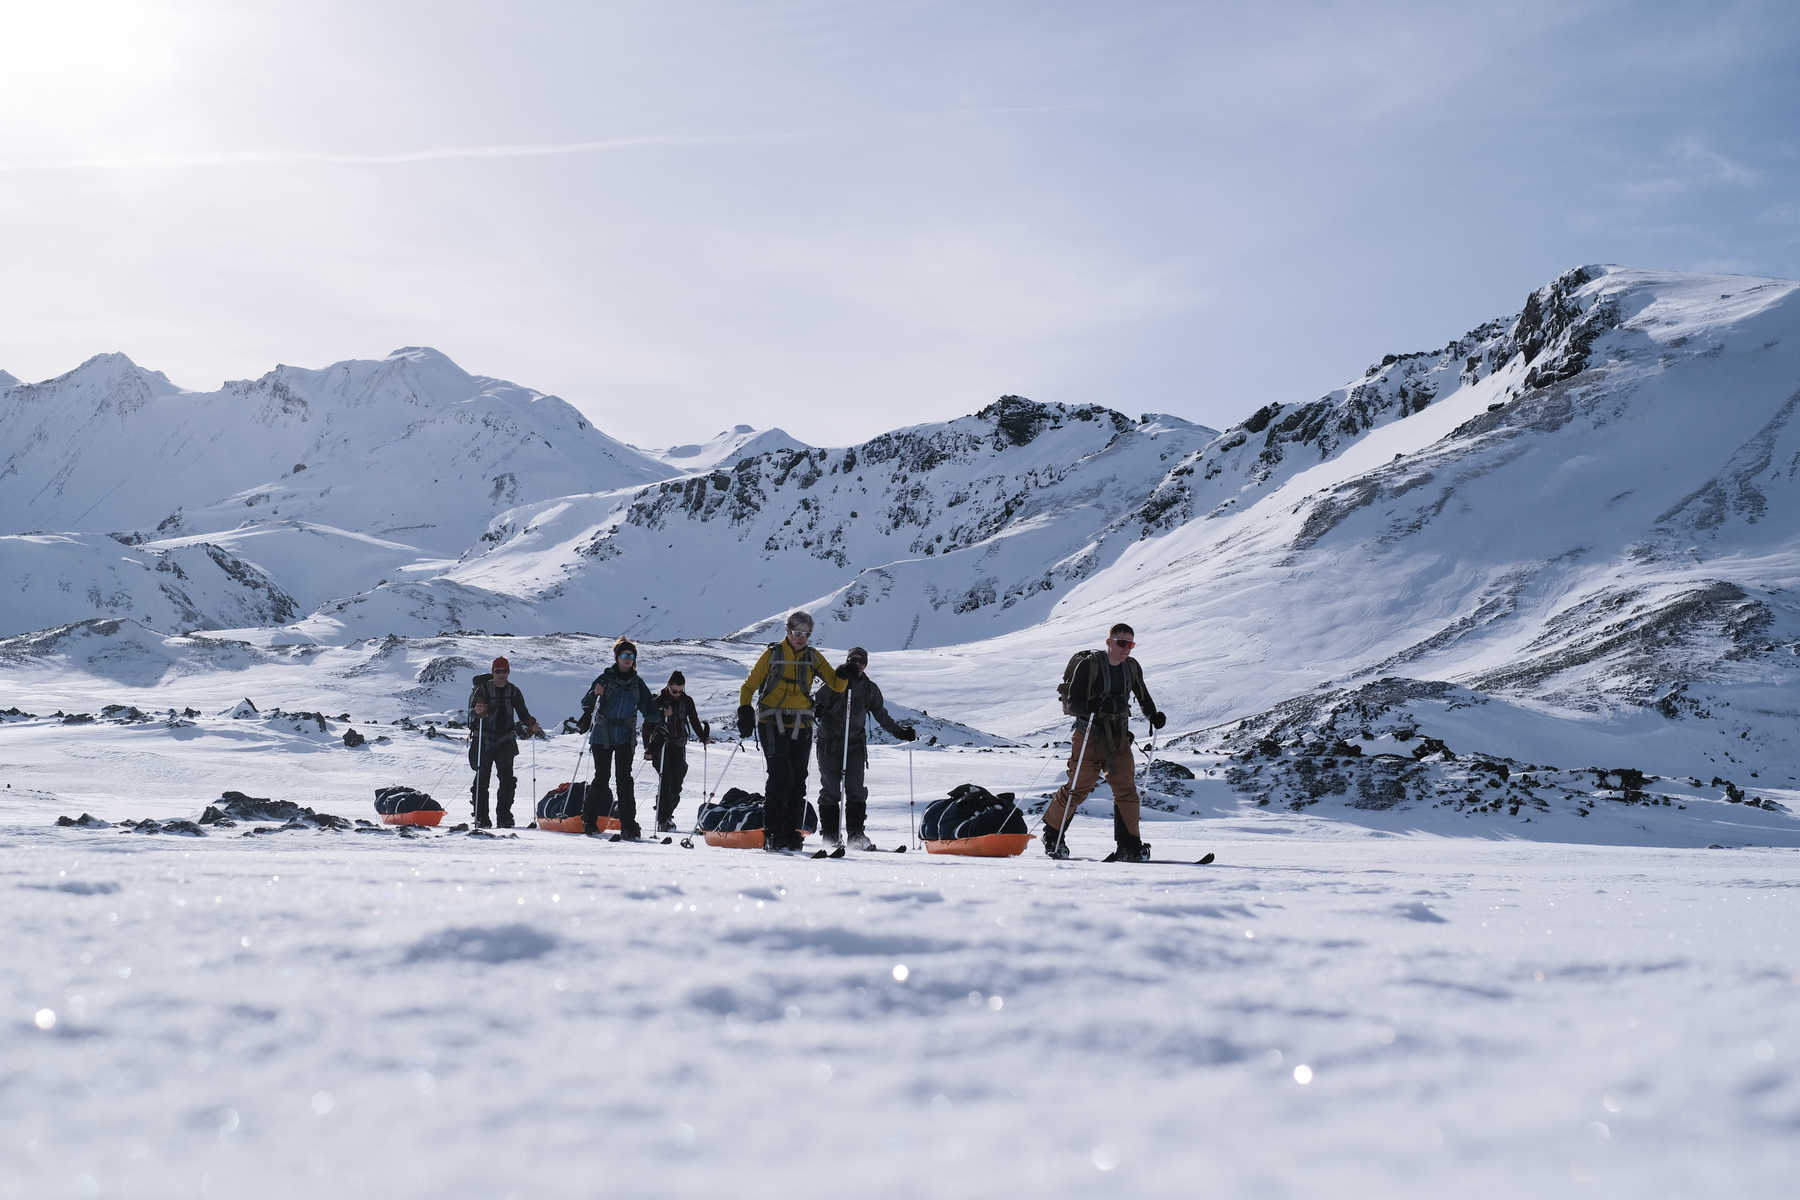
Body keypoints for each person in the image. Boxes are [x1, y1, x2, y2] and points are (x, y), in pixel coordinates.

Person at [1041, 623, 1167, 862]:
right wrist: (1095, 707)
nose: (1126, 649)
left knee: (1126, 790)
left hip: (1118, 736)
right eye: (1121, 643)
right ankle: (1052, 835)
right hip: (1088, 734)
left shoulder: (1131, 667)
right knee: (1078, 788)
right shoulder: (1089, 665)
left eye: (1130, 644)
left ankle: (1129, 845)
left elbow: (1142, 694)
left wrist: (1153, 715)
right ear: (1109, 642)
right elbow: (1073, 703)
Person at [736, 611, 847, 852]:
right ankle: (773, 834)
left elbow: (836, 684)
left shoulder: (813, 657)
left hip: (802, 725)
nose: (801, 638)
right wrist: (744, 711)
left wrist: (844, 673)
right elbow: (749, 686)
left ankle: (793, 834)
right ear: (787, 632)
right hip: (771, 722)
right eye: (797, 633)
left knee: (798, 779)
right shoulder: (773, 655)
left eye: (806, 634)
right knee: (780, 776)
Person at [813, 646, 917, 849]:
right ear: (847, 660)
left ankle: (856, 836)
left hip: (854, 746)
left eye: (861, 660)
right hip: (830, 744)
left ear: (865, 664)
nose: (857, 663)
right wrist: (819, 708)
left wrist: (899, 732)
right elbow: (818, 702)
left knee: (856, 790)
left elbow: (881, 715)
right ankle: (830, 837)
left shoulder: (869, 689)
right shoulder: (835, 682)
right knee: (831, 790)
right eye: (853, 659)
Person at [577, 638, 663, 839]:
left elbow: (648, 709)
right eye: (624, 655)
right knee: (602, 778)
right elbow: (586, 703)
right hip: (602, 735)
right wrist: (595, 694)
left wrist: (660, 714)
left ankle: (628, 824)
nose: (628, 659)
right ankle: (589, 820)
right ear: (617, 657)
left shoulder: (637, 683)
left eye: (631, 656)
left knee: (624, 780)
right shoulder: (604, 679)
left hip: (624, 736)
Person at [467, 656, 542, 829]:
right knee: (482, 781)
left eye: (504, 671)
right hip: (484, 739)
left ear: (508, 672)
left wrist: (531, 724)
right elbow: (472, 712)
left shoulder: (514, 691)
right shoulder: (483, 690)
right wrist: (476, 710)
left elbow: (522, 712)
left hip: (506, 740)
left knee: (507, 781)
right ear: (493, 672)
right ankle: (481, 818)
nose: (501, 674)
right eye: (497, 671)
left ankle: (504, 817)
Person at [645, 670, 710, 832]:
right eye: (675, 691)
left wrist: (703, 736)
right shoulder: (658, 701)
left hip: (679, 745)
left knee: (676, 784)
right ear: (668, 686)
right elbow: (647, 726)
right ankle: (663, 820)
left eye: (681, 690)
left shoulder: (687, 701)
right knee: (666, 780)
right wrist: (648, 748)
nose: (678, 694)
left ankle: (665, 814)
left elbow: (694, 720)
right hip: (661, 746)